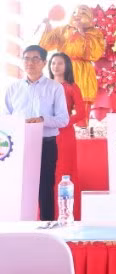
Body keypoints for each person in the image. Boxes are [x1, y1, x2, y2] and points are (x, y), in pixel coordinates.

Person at [3, 45, 68, 221]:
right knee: (18, 186)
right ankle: (17, 225)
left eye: (34, 59)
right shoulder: (12, 88)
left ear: (44, 62)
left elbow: (63, 119)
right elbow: (5, 119)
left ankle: (48, 228)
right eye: (26, 58)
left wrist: (42, 119)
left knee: (45, 187)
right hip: (18, 146)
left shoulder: (55, 88)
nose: (29, 62)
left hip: (45, 144)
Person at [48, 53, 86, 220]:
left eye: (60, 63)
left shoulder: (71, 87)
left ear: (67, 66)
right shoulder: (45, 86)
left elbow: (82, 113)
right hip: (45, 132)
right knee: (47, 173)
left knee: (62, 171)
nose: (56, 66)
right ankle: (47, 215)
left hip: (64, 134)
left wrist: (63, 122)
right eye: (53, 63)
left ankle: (65, 214)